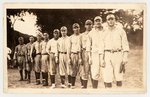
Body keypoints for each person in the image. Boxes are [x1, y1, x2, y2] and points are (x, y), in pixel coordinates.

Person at [102, 13, 129, 88]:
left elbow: (125, 45)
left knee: (119, 76)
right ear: (106, 21)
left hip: (118, 54)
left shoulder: (121, 31)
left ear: (115, 20)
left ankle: (118, 93)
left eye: (112, 19)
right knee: (107, 77)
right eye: (109, 19)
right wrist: (102, 59)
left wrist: (125, 57)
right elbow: (101, 46)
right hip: (107, 54)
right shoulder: (104, 32)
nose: (110, 21)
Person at [86, 16, 105, 89]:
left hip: (104, 53)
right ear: (94, 22)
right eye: (96, 21)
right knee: (95, 73)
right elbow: (88, 46)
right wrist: (90, 57)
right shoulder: (91, 33)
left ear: (101, 21)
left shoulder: (105, 31)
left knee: (105, 73)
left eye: (99, 20)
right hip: (94, 54)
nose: (98, 22)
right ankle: (95, 90)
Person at [79, 20, 93, 89]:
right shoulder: (82, 35)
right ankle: (84, 88)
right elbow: (80, 47)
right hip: (84, 53)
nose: (89, 26)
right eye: (87, 24)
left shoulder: (95, 34)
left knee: (93, 71)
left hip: (93, 53)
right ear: (85, 26)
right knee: (85, 71)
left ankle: (94, 89)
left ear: (92, 25)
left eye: (90, 24)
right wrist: (80, 58)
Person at [68, 23, 82, 89]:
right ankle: (72, 85)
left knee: (81, 70)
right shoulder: (71, 37)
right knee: (73, 70)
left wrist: (80, 57)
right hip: (73, 54)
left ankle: (83, 85)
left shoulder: (82, 36)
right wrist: (69, 58)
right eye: (75, 28)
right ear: (73, 29)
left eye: (77, 27)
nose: (76, 29)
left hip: (81, 55)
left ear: (79, 28)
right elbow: (69, 48)